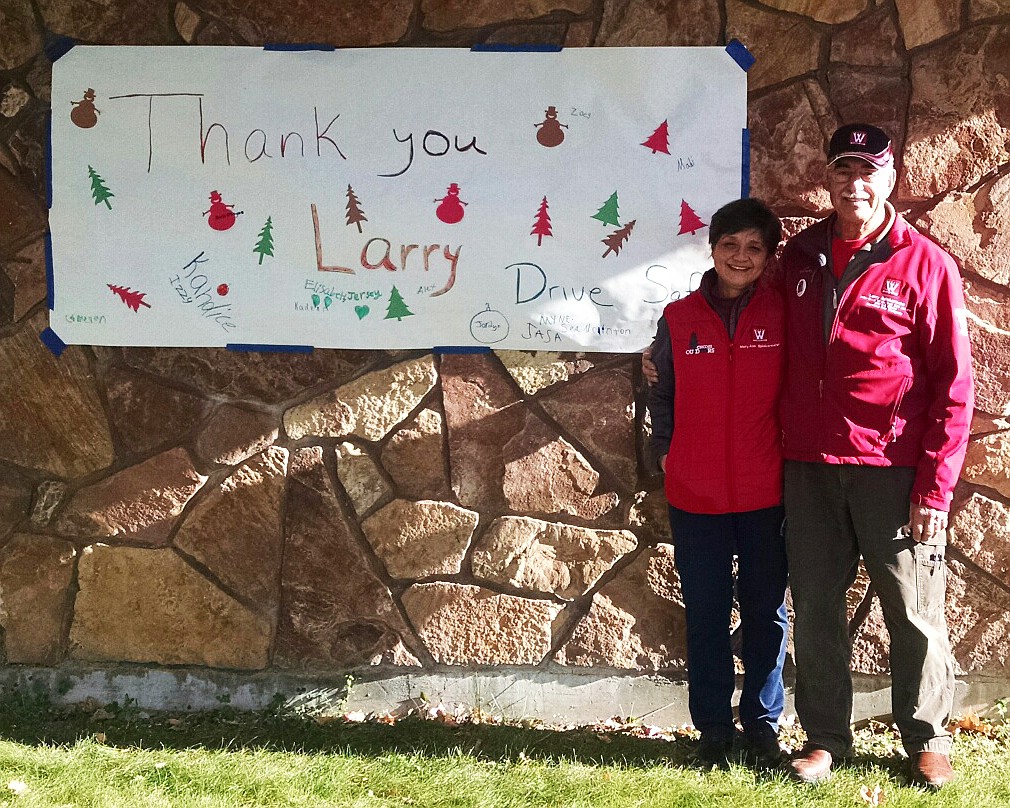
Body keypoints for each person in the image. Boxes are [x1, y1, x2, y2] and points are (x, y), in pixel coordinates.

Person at [643, 124, 974, 788]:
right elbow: (731, 311)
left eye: (869, 171)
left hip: (893, 468)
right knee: (817, 608)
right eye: (844, 170)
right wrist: (666, 362)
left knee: (912, 610)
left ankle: (925, 735)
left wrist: (935, 486)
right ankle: (826, 737)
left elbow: (954, 384)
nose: (856, 183)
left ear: (890, 178)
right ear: (828, 178)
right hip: (807, 467)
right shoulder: (799, 258)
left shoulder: (925, 263)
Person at [646, 198, 788, 767]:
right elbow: (662, 393)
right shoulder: (679, 318)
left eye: (754, 247)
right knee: (704, 611)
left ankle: (761, 724)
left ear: (768, 257)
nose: (740, 256)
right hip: (695, 493)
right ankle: (712, 729)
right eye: (730, 244)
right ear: (712, 248)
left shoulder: (783, 315)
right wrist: (666, 454)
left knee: (765, 612)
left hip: (765, 492)